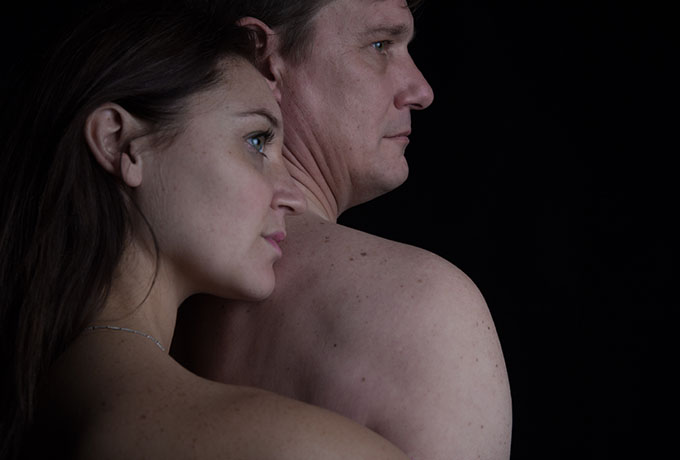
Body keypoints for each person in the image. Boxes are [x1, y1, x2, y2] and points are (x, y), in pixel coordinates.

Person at [0, 1, 413, 458]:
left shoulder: (43, 402)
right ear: (120, 143)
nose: (292, 194)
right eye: (256, 141)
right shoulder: (302, 448)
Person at [171, 1, 513, 459]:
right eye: (379, 45)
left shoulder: (149, 274)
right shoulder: (426, 307)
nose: (421, 89)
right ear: (262, 57)